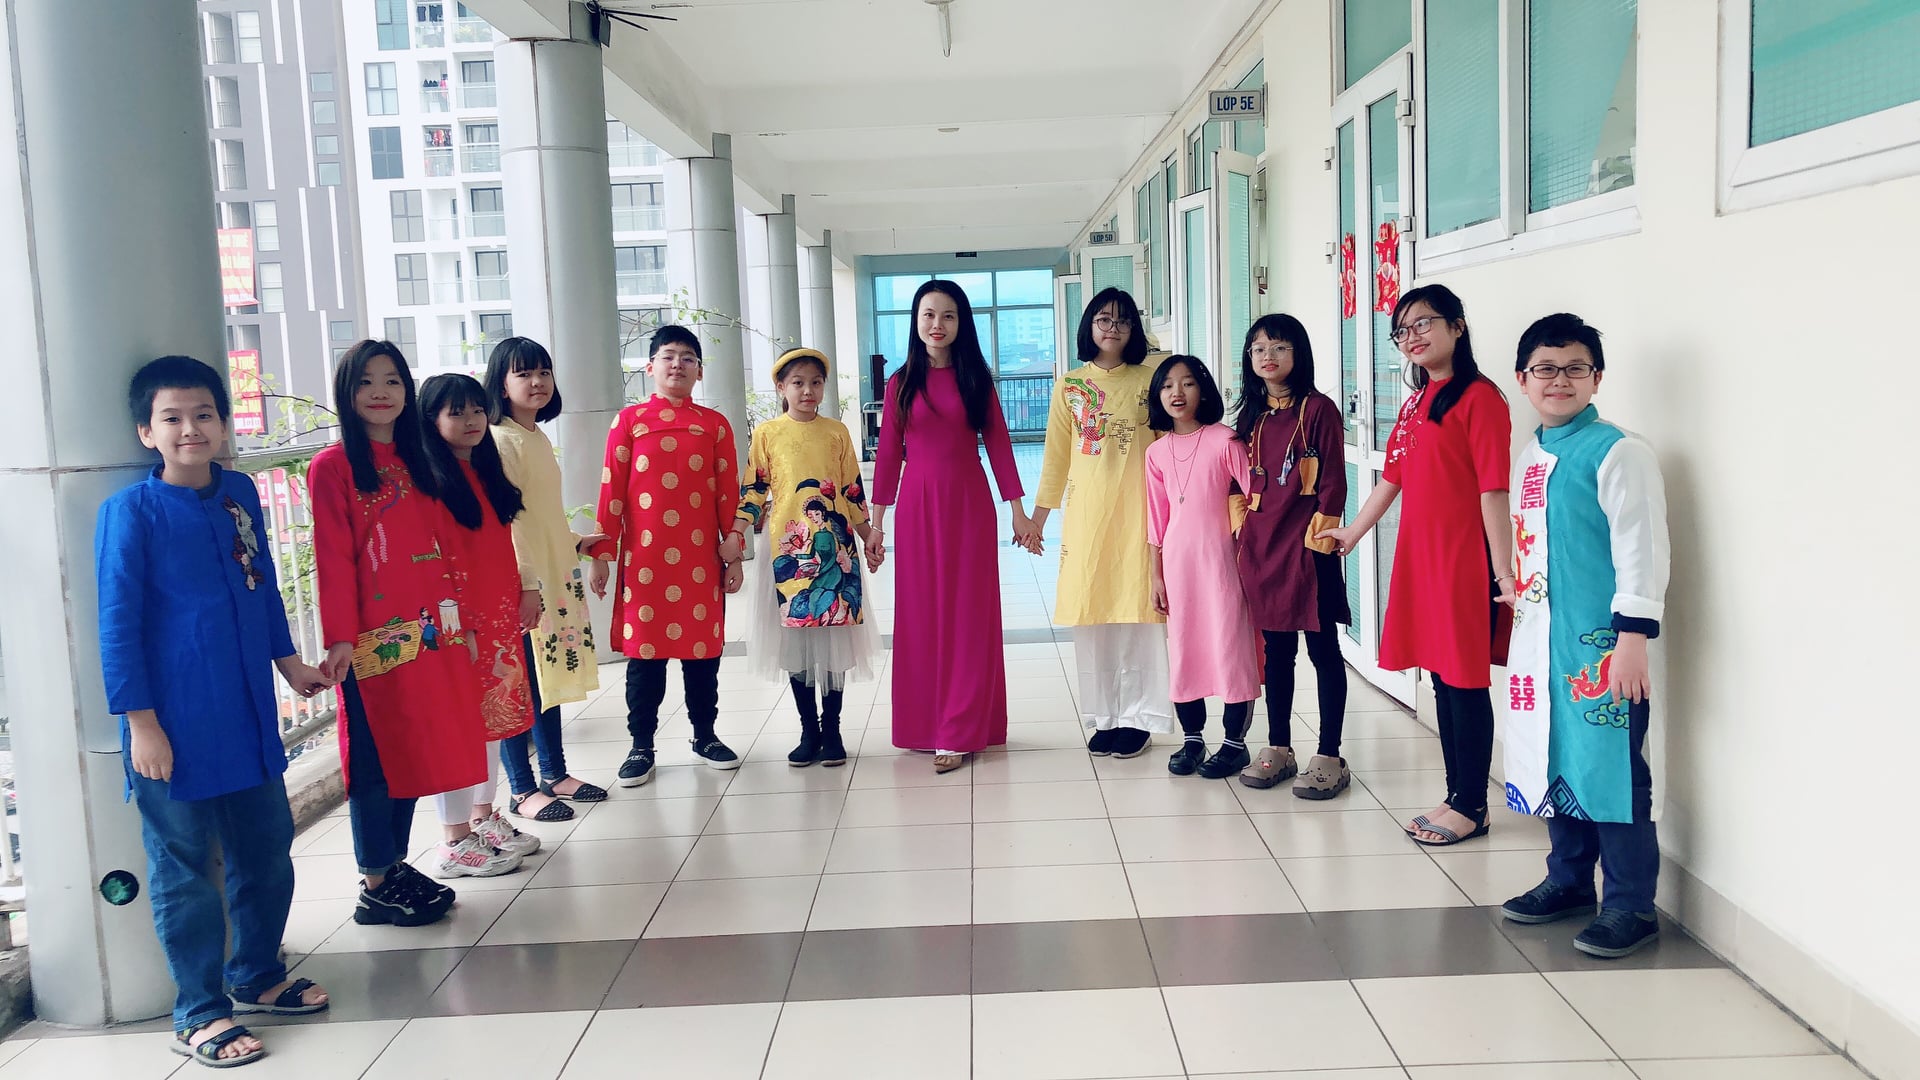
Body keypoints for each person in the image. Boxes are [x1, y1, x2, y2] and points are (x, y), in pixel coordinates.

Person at [96, 356, 334, 1069]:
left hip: (247, 713)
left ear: (224, 424)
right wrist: (140, 723)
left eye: (204, 414)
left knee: (267, 850)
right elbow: (117, 624)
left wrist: (289, 663)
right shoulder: (130, 512)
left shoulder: (239, 492)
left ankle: (257, 974)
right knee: (183, 869)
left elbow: (261, 587)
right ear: (146, 432)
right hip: (171, 725)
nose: (190, 429)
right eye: (171, 418)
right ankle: (199, 1011)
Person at [1498, 313, 1670, 958]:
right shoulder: (1532, 454)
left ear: (1597, 377)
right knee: (1556, 758)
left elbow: (1641, 551)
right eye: (1545, 368)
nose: (1560, 380)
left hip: (1604, 650)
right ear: (1523, 379)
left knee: (1613, 770)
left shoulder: (1620, 451)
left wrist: (1632, 639)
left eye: (1575, 367)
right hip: (1543, 644)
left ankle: (1631, 904)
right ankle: (1569, 880)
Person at [1320, 284, 1514, 846]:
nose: (1412, 337)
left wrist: (1503, 574)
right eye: (1402, 330)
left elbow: (1493, 491)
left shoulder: (1481, 398)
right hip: (1420, 556)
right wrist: (1354, 532)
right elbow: (1393, 478)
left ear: (1457, 326)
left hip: (1464, 558)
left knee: (1464, 680)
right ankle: (1457, 796)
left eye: (1424, 323)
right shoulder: (1415, 402)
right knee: (1442, 680)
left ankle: (1472, 805)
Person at [310, 340, 487, 923]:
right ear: (347, 392)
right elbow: (333, 557)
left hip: (430, 633)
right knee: (373, 756)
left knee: (413, 749)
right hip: (370, 641)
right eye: (365, 381)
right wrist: (340, 638)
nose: (380, 392)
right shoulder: (333, 466)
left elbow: (448, 549)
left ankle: (392, 865)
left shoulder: (420, 460)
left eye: (391, 380)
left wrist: (462, 624)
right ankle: (375, 879)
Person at [870, 280, 1033, 774]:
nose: (937, 325)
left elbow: (999, 445)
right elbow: (888, 454)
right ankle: (925, 724)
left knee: (968, 614)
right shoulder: (900, 383)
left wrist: (1018, 510)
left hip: (967, 504)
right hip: (917, 507)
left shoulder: (975, 379)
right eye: (928, 315)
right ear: (916, 322)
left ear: (962, 323)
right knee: (920, 614)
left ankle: (960, 728)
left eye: (948, 316)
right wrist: (876, 522)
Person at [589, 325, 745, 787]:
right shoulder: (628, 421)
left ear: (700, 371)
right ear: (650, 366)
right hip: (645, 564)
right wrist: (601, 554)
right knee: (645, 659)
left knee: (703, 656)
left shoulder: (714, 424)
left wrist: (734, 554)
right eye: (668, 356)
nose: (678, 365)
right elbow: (611, 493)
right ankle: (641, 745)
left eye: (688, 358)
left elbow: (728, 493)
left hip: (700, 562)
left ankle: (705, 736)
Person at [1020, 288, 1170, 758]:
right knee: (1093, 616)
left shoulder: (1153, 381)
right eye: (1104, 319)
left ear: (1134, 330)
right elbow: (1056, 458)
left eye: (1123, 321)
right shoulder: (1070, 386)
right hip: (1087, 517)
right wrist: (1037, 520)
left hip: (1142, 513)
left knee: (1140, 615)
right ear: (1089, 325)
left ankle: (1140, 717)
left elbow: (1170, 447)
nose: (1113, 328)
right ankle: (1104, 716)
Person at [727, 347, 883, 766]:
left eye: (815, 383)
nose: (807, 391)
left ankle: (832, 730)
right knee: (795, 640)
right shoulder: (767, 434)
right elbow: (754, 491)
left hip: (836, 547)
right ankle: (807, 731)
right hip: (788, 550)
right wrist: (737, 533)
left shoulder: (836, 432)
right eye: (798, 383)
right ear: (781, 387)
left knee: (834, 637)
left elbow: (851, 491)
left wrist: (869, 536)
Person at [419, 373, 541, 875]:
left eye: (476, 409)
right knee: (460, 728)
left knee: (490, 724)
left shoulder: (484, 472)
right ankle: (453, 842)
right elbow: (435, 564)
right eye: (456, 412)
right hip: (459, 623)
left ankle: (482, 817)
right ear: (431, 419)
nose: (471, 420)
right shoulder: (430, 483)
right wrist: (460, 626)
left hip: (496, 617)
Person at [484, 337, 609, 822]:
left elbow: (541, 513)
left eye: (543, 372)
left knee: (545, 677)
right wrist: (527, 584)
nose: (536, 382)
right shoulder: (499, 440)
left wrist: (575, 542)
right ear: (501, 384)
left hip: (549, 574)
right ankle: (520, 789)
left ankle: (554, 774)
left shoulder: (533, 435)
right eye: (523, 374)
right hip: (522, 582)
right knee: (519, 683)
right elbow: (510, 522)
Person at [1230, 315, 1354, 798]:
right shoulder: (1251, 417)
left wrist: (1317, 543)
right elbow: (1236, 482)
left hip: (1308, 550)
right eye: (1258, 348)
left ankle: (1329, 754)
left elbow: (1333, 484)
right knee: (1276, 652)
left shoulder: (1319, 409)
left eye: (1279, 347)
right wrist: (1242, 530)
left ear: (1298, 353)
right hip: (1262, 548)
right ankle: (1279, 747)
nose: (1268, 356)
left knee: (1324, 651)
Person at [1144, 356, 1262, 780]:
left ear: (1204, 390)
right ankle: (1192, 739)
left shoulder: (1225, 440)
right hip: (1178, 564)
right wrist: (1156, 575)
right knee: (1184, 649)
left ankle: (1234, 744)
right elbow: (1156, 521)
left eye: (1188, 383)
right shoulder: (1156, 452)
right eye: (1167, 386)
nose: (1177, 393)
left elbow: (1255, 498)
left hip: (1223, 561)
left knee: (1230, 646)